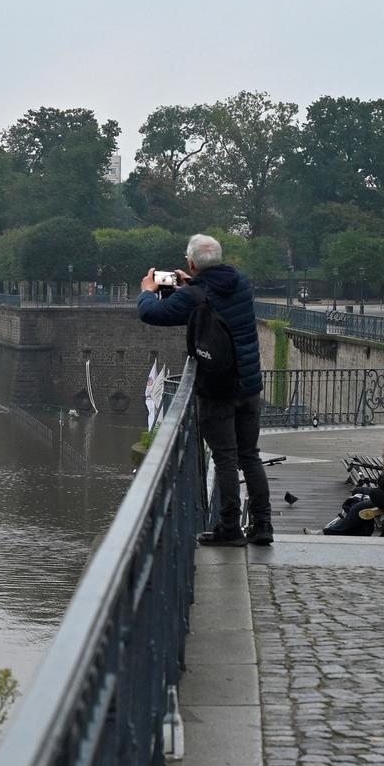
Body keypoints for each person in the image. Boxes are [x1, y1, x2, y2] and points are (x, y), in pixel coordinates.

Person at [138, 234, 272, 546]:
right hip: (248, 385)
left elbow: (152, 313)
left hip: (217, 388)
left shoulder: (194, 295)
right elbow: (214, 296)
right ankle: (263, 524)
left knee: (225, 457)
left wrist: (148, 291)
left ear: (192, 263)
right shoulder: (241, 282)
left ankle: (229, 527)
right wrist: (192, 284)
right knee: (250, 455)